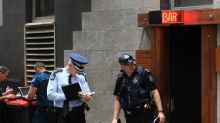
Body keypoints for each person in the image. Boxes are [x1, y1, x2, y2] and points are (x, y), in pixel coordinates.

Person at [112, 53, 165, 123]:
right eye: (128, 64)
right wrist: (115, 118)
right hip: (130, 116)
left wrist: (160, 111)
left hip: (145, 114)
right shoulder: (121, 78)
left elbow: (154, 91)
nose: (131, 65)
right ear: (122, 66)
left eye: (131, 62)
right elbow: (117, 98)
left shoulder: (143, 73)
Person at [47, 53, 92, 123]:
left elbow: (88, 97)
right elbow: (50, 95)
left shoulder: (81, 76)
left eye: (80, 71)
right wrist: (68, 96)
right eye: (77, 70)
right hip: (61, 113)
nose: (78, 72)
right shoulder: (57, 74)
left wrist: (86, 97)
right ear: (70, 65)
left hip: (78, 113)